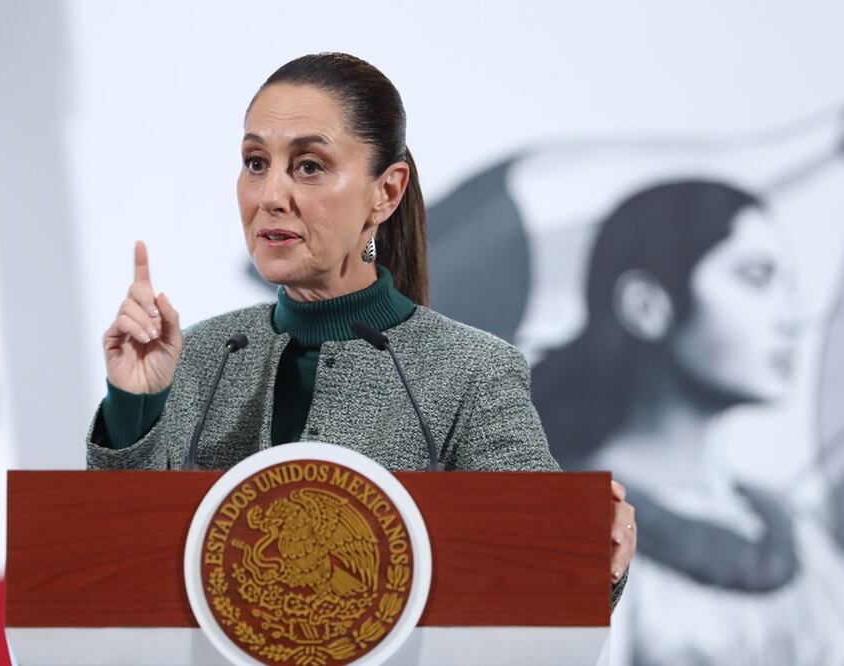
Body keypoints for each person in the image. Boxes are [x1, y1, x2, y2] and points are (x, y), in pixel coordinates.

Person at [85, 52, 636, 601]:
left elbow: (551, 582)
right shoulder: (203, 355)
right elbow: (110, 571)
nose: (270, 196)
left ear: (386, 192)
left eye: (308, 166)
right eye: (256, 162)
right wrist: (134, 405)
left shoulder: (472, 373)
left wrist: (597, 554)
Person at [532, 180, 844, 664]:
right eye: (756, 278)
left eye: (789, 286)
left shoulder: (800, 536)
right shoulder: (557, 529)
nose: (790, 317)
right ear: (646, 305)